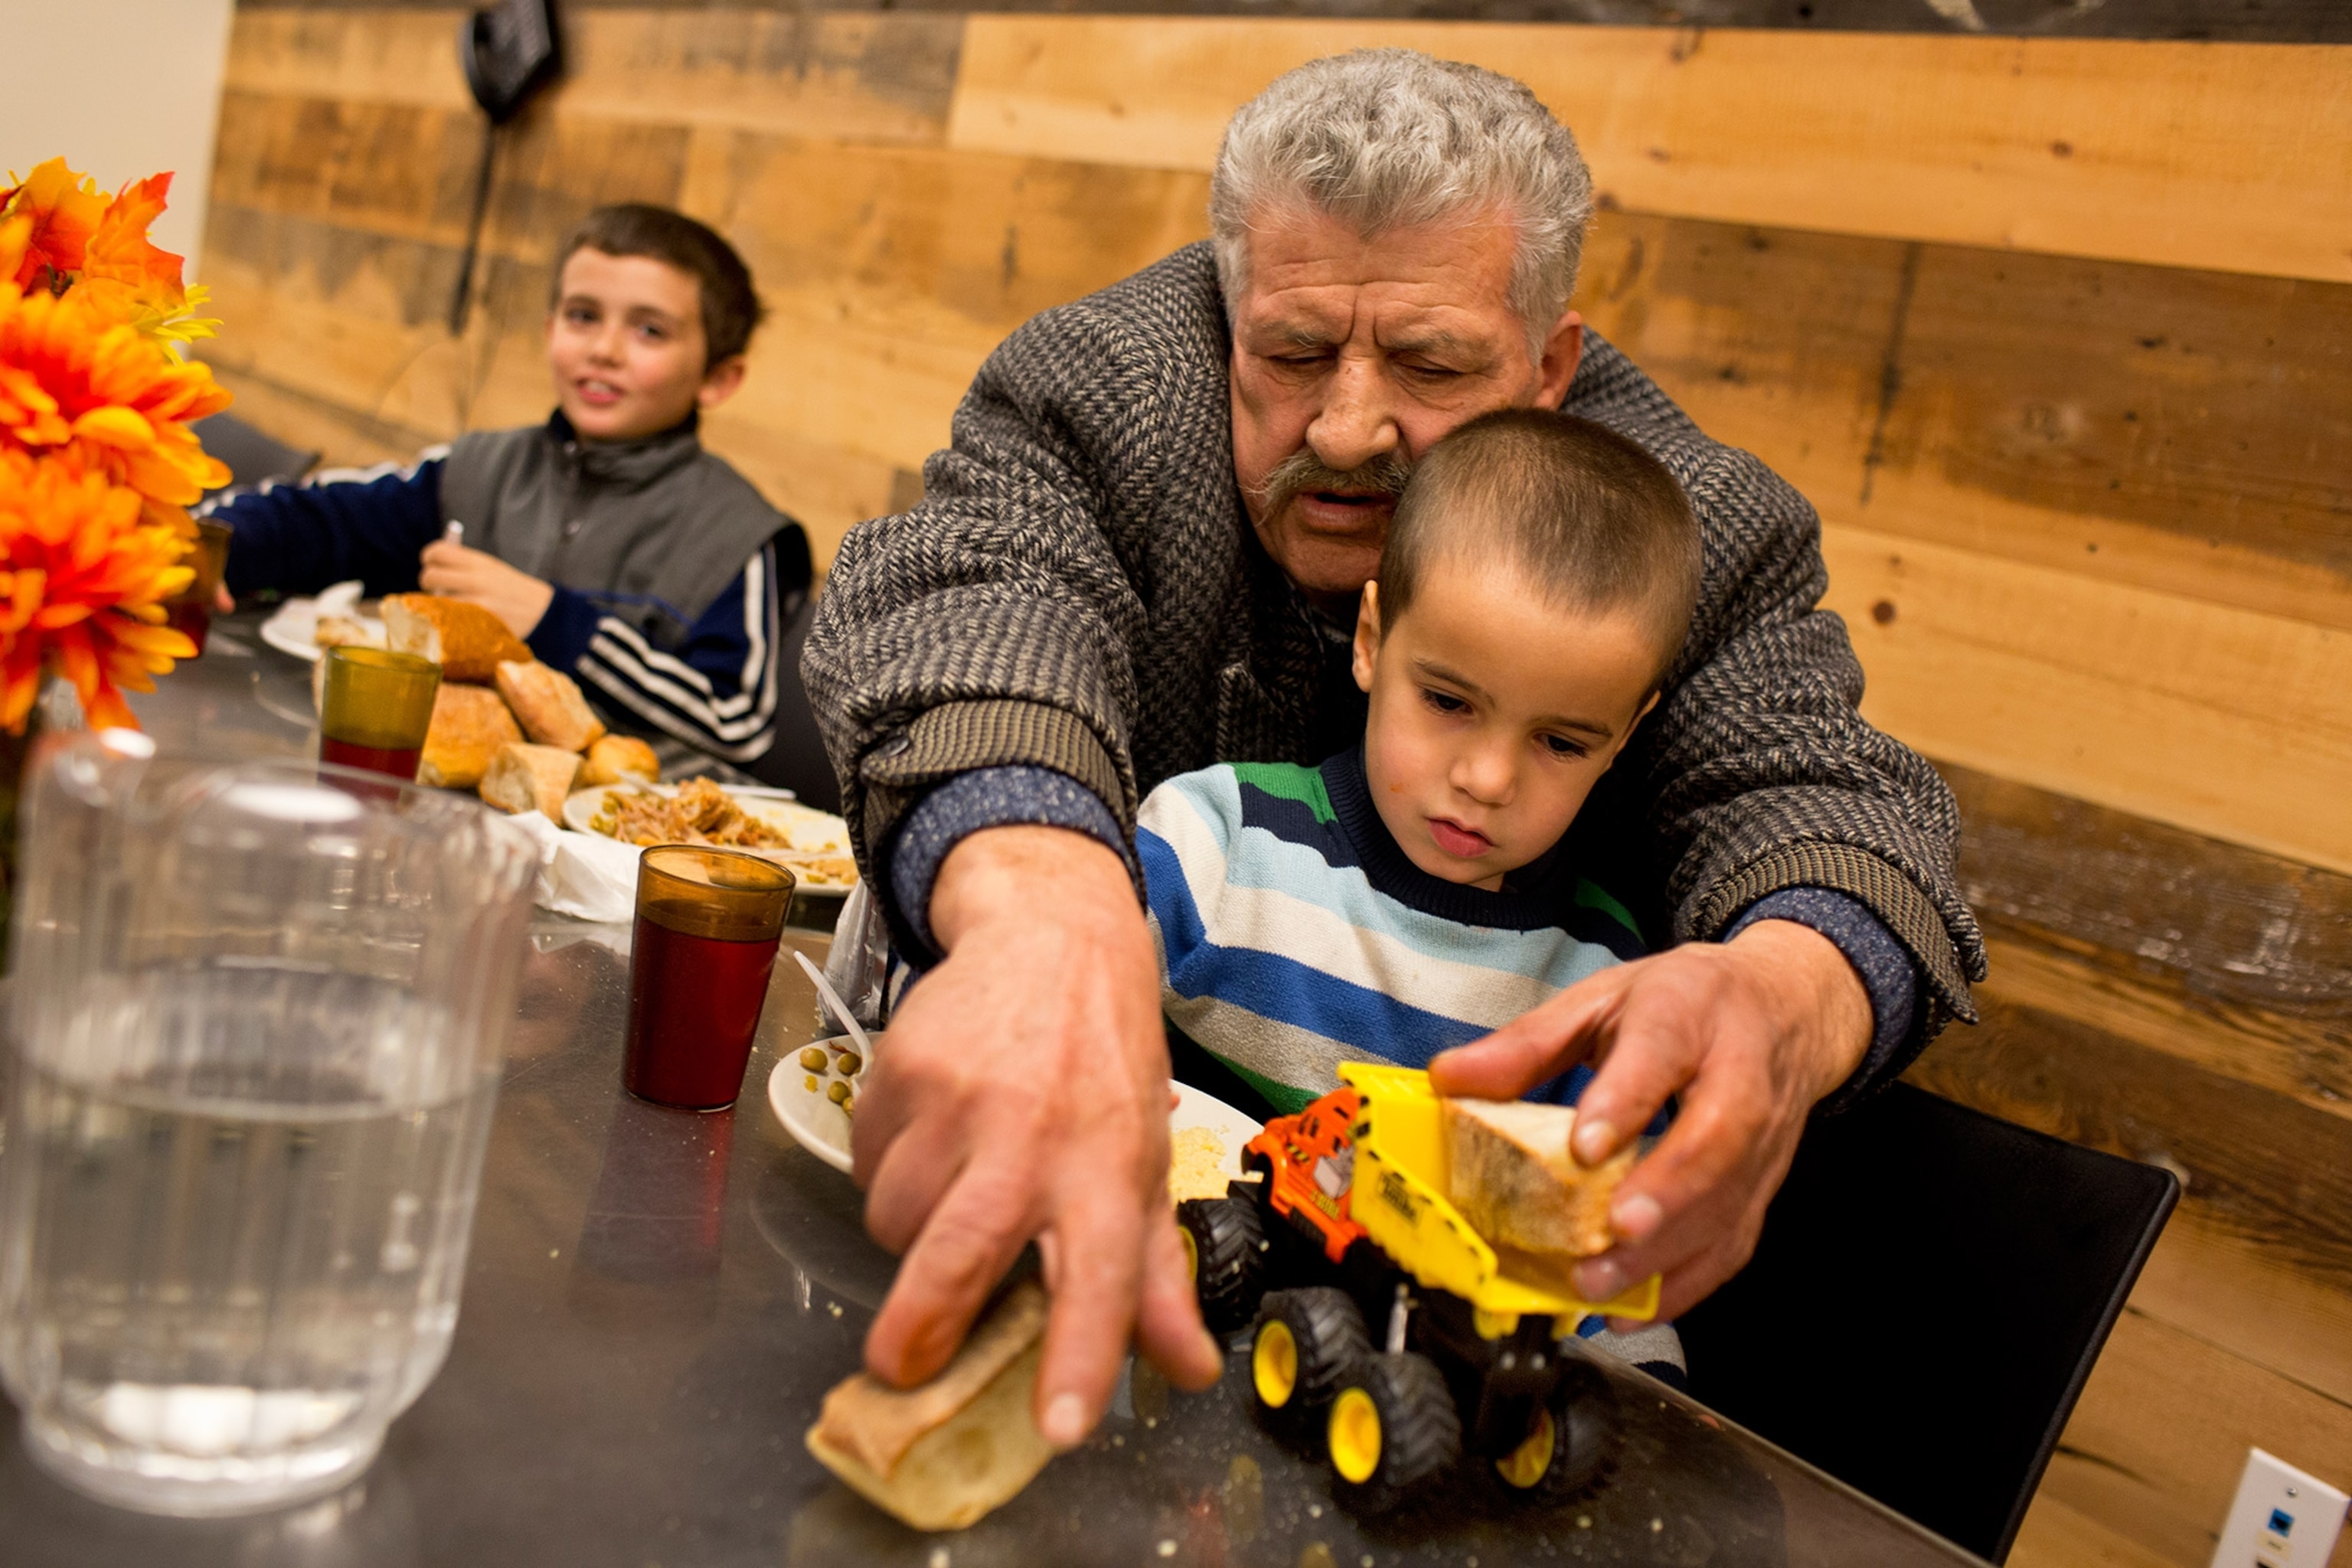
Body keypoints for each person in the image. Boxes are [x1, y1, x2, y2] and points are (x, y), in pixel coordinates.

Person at [804, 51, 1985, 1449]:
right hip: (1069, 1264)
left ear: (1552, 365)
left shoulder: (1693, 526)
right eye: (1293, 354)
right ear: (1227, 311)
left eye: (1430, 366)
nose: (1350, 429)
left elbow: (1820, 792)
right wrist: (1047, 904)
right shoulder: (1103, 383)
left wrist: (1786, 993)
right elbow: (971, 600)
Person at [1142, 407, 1701, 1380]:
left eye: (1561, 741)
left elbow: (1608, 1285)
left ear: (1625, 736)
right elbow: (1030, 999)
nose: (1487, 778)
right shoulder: (1215, 844)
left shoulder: (1605, 996)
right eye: (1448, 701)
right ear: (1371, 641)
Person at [211, 204, 837, 804]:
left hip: (622, 851)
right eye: (582, 315)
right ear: (549, 332)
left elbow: (734, 724)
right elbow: (329, 524)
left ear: (718, 378)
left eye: (649, 330)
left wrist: (553, 621)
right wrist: (213, 547)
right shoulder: (478, 470)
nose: (605, 349)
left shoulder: (741, 535)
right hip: (446, 805)